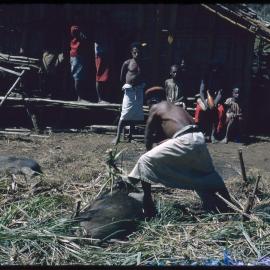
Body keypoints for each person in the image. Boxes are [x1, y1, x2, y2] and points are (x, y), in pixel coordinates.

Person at [127, 86, 232, 217]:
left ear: (151, 101)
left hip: (184, 140)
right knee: (205, 174)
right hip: (198, 139)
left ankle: (148, 204)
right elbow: (179, 132)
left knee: (144, 161)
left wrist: (152, 156)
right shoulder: (176, 108)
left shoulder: (156, 107)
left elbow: (148, 138)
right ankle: (228, 203)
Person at [112, 42, 146, 145]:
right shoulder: (127, 63)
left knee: (134, 115)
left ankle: (130, 136)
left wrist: (140, 84)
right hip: (129, 91)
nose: (137, 54)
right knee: (124, 114)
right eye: (135, 52)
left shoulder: (143, 64)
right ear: (132, 53)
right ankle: (117, 137)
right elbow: (122, 77)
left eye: (139, 52)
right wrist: (128, 85)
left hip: (138, 90)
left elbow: (144, 76)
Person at [194, 62, 226, 143]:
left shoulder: (220, 79)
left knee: (220, 111)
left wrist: (214, 104)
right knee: (199, 110)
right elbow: (201, 92)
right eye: (213, 68)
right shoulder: (205, 78)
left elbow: (220, 93)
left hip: (216, 101)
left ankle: (213, 134)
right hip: (205, 100)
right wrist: (205, 103)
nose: (214, 70)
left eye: (216, 68)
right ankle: (201, 133)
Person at [70, 25, 89, 102]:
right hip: (77, 58)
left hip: (77, 58)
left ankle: (80, 97)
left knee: (80, 77)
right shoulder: (76, 40)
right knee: (78, 78)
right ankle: (80, 97)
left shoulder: (76, 40)